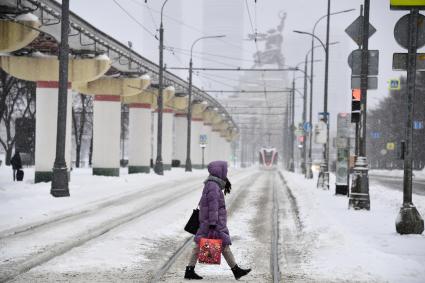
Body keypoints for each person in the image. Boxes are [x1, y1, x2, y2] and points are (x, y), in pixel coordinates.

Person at [184, 160, 251, 280]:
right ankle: (236, 270)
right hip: (212, 222)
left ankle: (190, 270)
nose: (226, 173)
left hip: (208, 221)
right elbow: (213, 206)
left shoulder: (212, 184)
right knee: (222, 245)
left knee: (201, 245)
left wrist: (225, 183)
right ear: (220, 171)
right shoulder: (214, 186)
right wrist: (213, 224)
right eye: (225, 171)